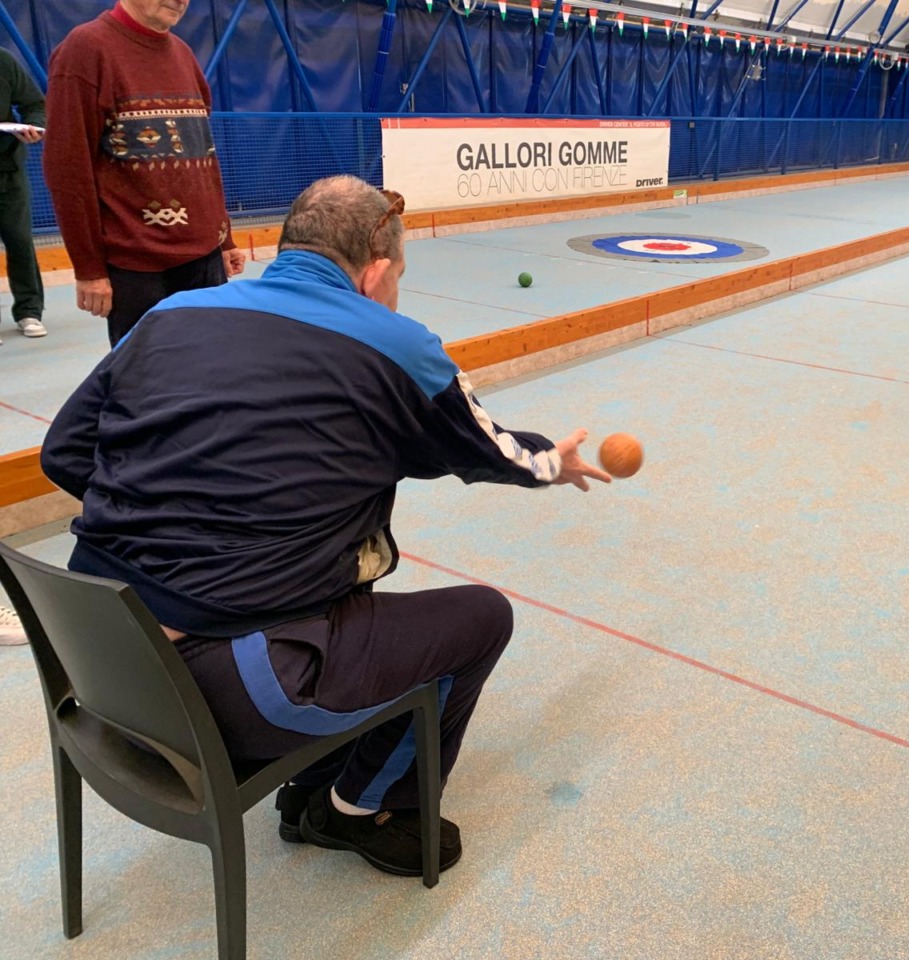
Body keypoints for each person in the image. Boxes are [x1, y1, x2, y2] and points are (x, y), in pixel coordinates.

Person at [41, 175, 611, 877]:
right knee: (479, 619)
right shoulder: (395, 344)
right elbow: (486, 448)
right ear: (375, 273)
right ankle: (355, 811)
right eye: (399, 276)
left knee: (340, 570)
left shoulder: (169, 315)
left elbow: (64, 453)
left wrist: (167, 525)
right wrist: (554, 462)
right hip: (230, 695)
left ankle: (314, 774)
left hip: (97, 665)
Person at [41, 0, 245, 346]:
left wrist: (223, 237)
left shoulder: (182, 54)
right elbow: (68, 169)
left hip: (204, 261)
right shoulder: (86, 49)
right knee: (148, 386)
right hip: (137, 268)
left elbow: (203, 156)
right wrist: (89, 268)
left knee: (211, 372)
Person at [0, 48, 47, 345]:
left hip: (7, 171)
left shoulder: (3, 60)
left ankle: (29, 311)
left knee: (19, 240)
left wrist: (34, 126)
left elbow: (34, 104)